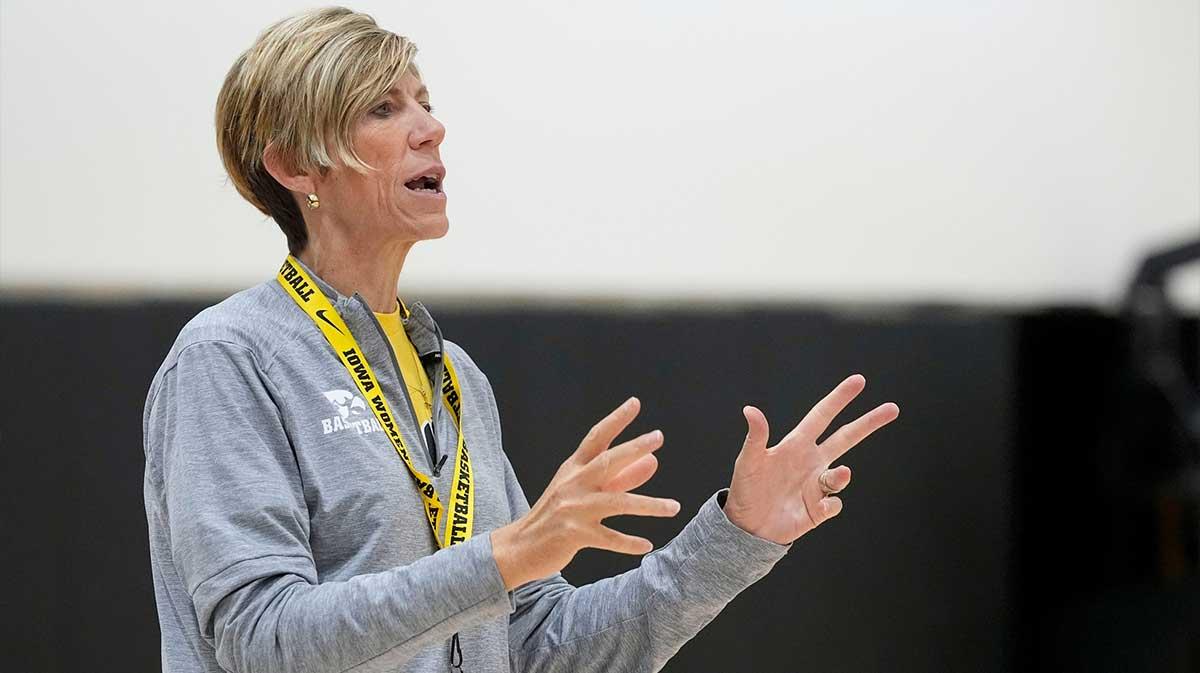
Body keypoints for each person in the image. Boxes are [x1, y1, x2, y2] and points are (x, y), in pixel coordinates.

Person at [141, 7, 900, 673]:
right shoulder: (230, 358)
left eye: (426, 102)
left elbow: (540, 645)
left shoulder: (453, 377)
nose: (430, 127)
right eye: (383, 107)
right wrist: (507, 555)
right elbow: (261, 641)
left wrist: (737, 534)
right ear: (293, 165)